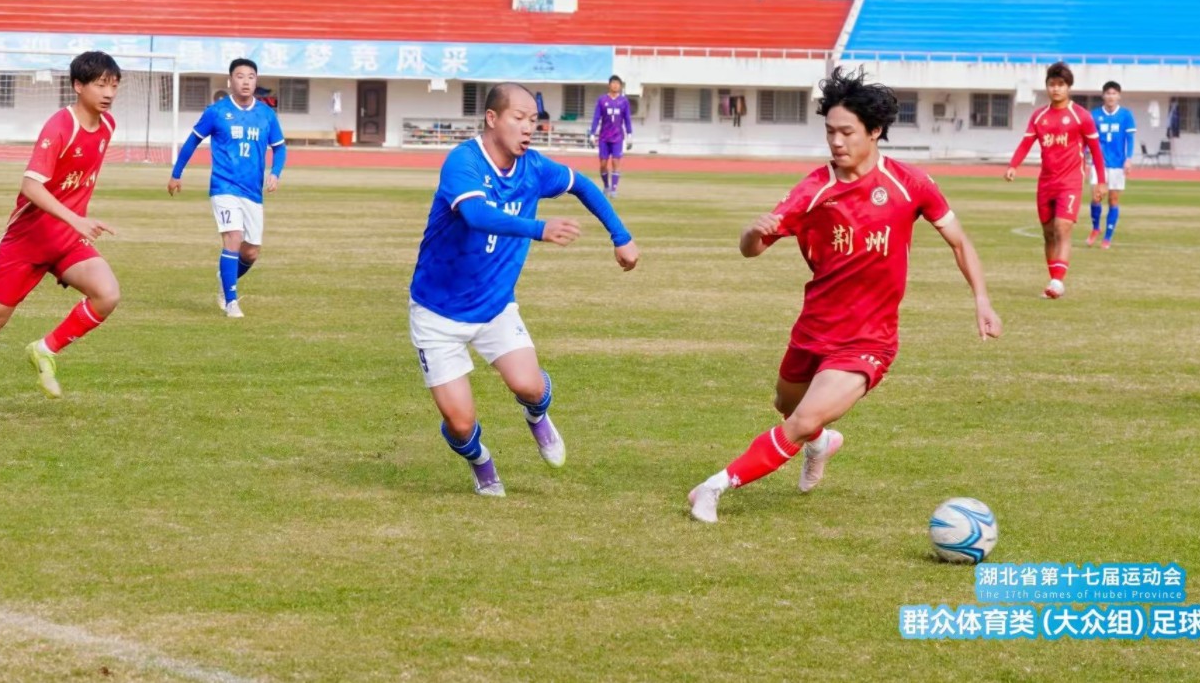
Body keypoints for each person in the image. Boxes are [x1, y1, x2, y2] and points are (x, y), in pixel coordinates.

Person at [687, 68, 1001, 523]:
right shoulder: (814, 190)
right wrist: (751, 232)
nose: (836, 141)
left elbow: (959, 242)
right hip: (815, 328)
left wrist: (982, 300)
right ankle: (822, 444)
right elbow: (751, 250)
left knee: (800, 422)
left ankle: (713, 488)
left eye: (846, 132)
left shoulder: (910, 184)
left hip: (869, 340)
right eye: (830, 131)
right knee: (787, 406)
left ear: (874, 131)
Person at [409, 82, 640, 496]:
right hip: (437, 312)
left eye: (533, 119)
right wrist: (538, 228)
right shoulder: (463, 161)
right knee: (460, 424)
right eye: (519, 118)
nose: (529, 127)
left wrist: (620, 236)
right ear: (492, 118)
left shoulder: (533, 168)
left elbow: (583, 185)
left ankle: (537, 416)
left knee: (530, 387)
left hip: (495, 307)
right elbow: (476, 214)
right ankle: (481, 461)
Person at [0, 51, 125, 424]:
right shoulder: (60, 127)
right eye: (101, 85)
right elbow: (31, 187)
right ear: (78, 86)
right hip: (28, 241)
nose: (109, 93)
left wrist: (73, 223)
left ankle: (44, 349)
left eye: (114, 85)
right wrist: (76, 219)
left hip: (67, 240)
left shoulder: (108, 126)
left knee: (107, 294)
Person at [167, 58, 287, 319]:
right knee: (233, 237)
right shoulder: (217, 112)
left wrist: (275, 173)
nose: (246, 81)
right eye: (240, 76)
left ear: (256, 81)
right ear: (230, 81)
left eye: (251, 77)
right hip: (223, 186)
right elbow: (192, 142)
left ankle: (225, 277)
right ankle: (231, 302)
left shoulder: (266, 114)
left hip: (252, 191)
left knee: (251, 251)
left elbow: (279, 148)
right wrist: (176, 174)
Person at [1006, 62, 1106, 299]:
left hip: (1070, 182)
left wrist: (1101, 181)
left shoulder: (1081, 116)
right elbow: (1026, 143)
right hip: (1046, 183)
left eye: (1061, 84)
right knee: (1049, 233)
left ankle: (1057, 281)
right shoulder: (1039, 116)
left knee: (1062, 228)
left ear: (1068, 87)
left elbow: (1096, 150)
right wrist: (1013, 165)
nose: (1056, 89)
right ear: (1047, 87)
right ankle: (1053, 282)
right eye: (1052, 84)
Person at [1086, 81, 1138, 249]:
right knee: (1096, 197)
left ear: (1119, 96)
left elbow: (1130, 139)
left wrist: (1128, 159)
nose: (1111, 96)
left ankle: (1107, 237)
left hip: (1117, 164)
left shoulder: (1126, 115)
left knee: (1113, 200)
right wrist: (1085, 152)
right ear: (1103, 95)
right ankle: (1096, 228)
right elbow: (1088, 138)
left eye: (1114, 93)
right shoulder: (1094, 115)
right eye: (1108, 93)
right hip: (1098, 163)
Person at [589, 75, 633, 198]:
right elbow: (596, 117)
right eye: (613, 83)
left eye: (617, 83)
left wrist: (630, 134)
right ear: (609, 85)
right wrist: (592, 133)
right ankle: (606, 186)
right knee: (603, 164)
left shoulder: (624, 101)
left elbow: (627, 119)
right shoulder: (602, 100)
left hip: (617, 137)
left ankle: (614, 189)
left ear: (620, 86)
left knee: (615, 161)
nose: (615, 85)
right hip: (604, 137)